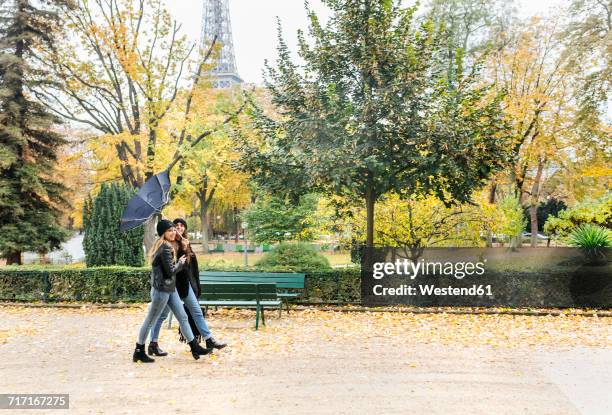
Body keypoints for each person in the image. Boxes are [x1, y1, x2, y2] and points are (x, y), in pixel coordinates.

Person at [132, 219, 211, 363]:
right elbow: (170, 272)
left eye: (173, 229)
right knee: (150, 320)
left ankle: (194, 346)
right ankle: (139, 350)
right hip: (162, 291)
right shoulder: (165, 248)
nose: (173, 232)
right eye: (169, 230)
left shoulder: (168, 246)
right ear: (163, 233)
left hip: (170, 288)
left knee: (183, 317)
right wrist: (180, 263)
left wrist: (183, 248)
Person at [147, 218, 227, 356]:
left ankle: (209, 339)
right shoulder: (166, 243)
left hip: (184, 284)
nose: (178, 228)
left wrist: (185, 247)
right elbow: (172, 266)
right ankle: (153, 343)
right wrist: (181, 250)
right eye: (175, 226)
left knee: (196, 310)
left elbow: (189, 266)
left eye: (181, 225)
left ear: (185, 228)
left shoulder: (184, 242)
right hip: (171, 286)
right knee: (162, 316)